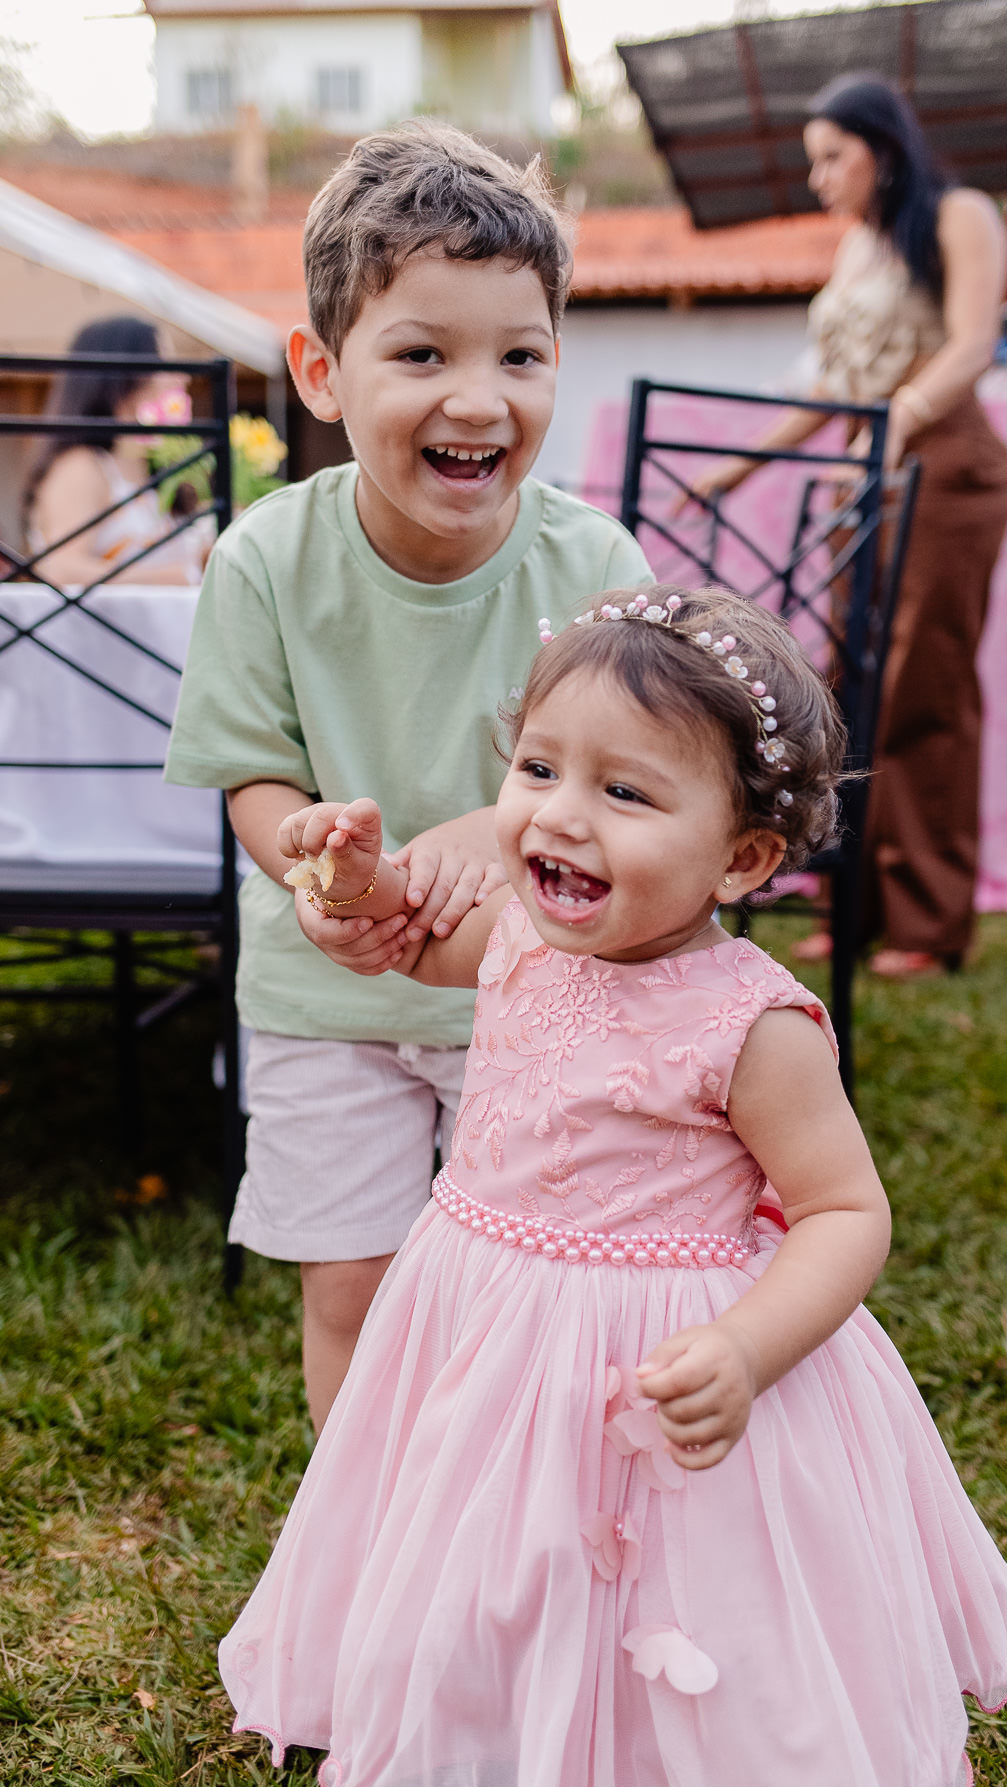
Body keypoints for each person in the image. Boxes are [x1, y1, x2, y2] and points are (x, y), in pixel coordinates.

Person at [220, 586, 1007, 1787]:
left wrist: (749, 1350)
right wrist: (357, 887)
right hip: (485, 1315)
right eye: (541, 767)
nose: (560, 815)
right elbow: (403, 934)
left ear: (744, 858)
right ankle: (491, 1713)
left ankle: (663, 1744)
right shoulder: (517, 934)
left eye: (626, 793)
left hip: (657, 1350)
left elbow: (844, 1212)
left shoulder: (751, 1025)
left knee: (662, 1568)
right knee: (500, 1543)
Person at [164, 122, 652, 1433]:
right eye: (423, 354)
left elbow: (626, 790)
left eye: (520, 356)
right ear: (323, 373)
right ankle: (366, 1534)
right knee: (359, 1283)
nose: (479, 398)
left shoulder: (596, 561)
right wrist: (314, 856)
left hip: (536, 983)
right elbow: (253, 777)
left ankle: (512, 1503)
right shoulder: (265, 562)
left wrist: (473, 837)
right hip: (324, 989)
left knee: (532, 1282)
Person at [689, 75, 1007, 978]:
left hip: (946, 471)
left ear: (885, 147)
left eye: (835, 157)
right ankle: (859, 911)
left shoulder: (960, 214)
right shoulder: (859, 248)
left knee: (926, 691)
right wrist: (737, 467)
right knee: (855, 698)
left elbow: (973, 342)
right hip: (866, 477)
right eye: (814, 162)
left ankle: (929, 923)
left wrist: (900, 420)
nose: (821, 178)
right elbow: (831, 387)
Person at [24, 315, 208, 588]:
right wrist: (175, 578)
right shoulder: (81, 467)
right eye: (164, 363)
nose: (180, 377)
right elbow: (60, 569)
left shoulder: (147, 465)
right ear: (125, 375)